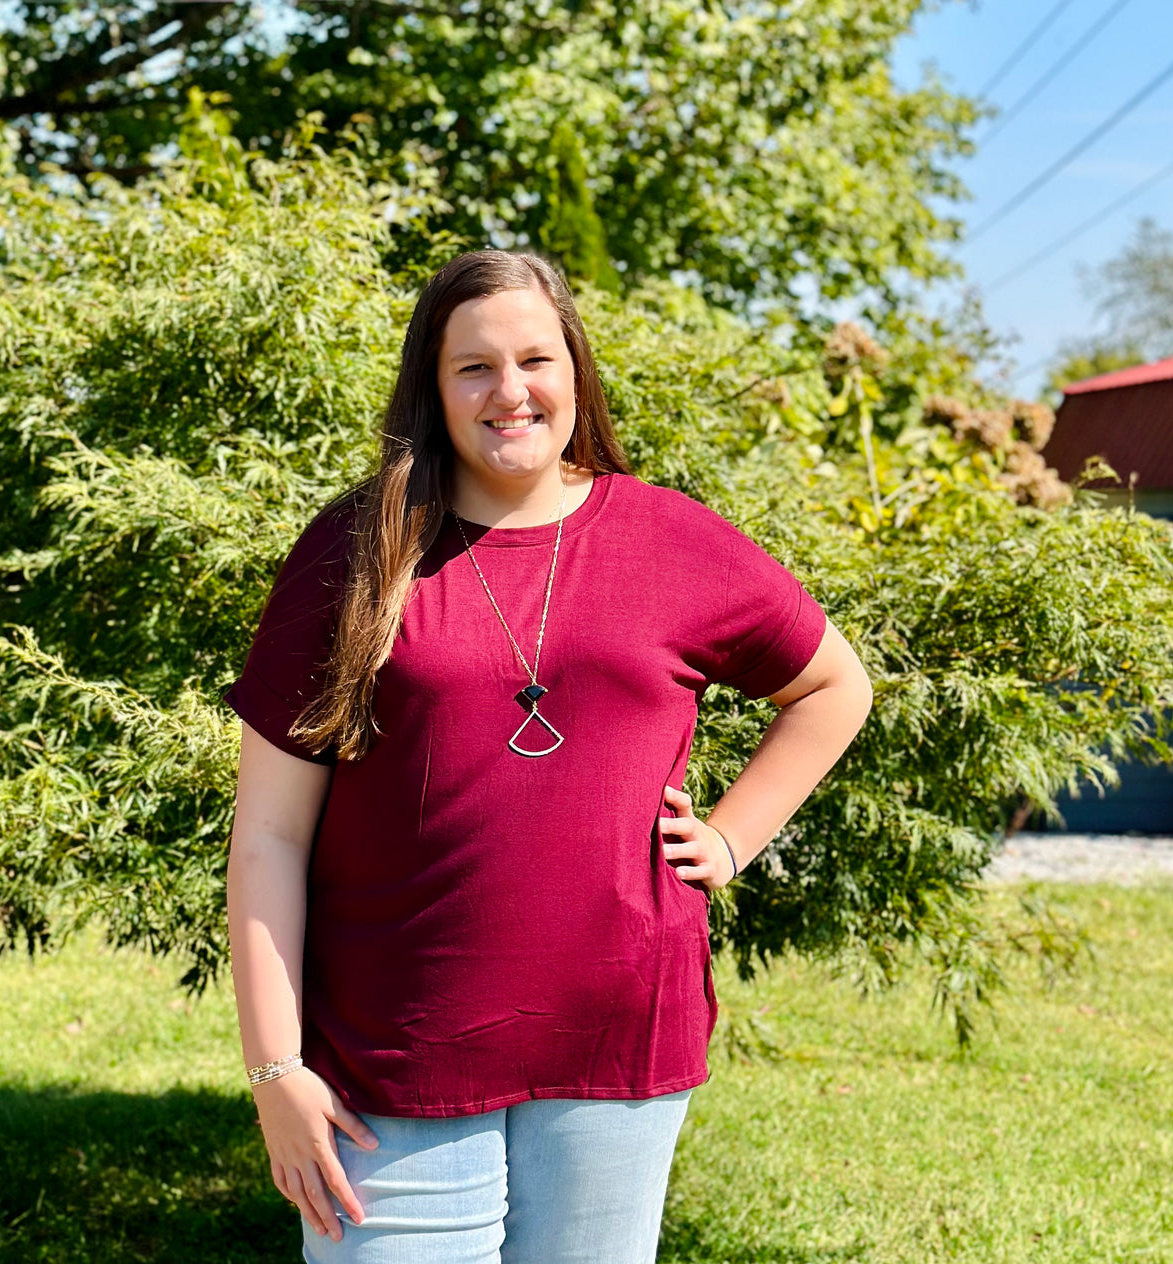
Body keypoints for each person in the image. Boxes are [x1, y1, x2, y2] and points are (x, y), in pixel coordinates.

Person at [222, 249, 873, 1263]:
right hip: (391, 1060)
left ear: (575, 369)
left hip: (617, 1048)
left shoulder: (672, 539)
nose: (510, 390)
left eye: (536, 358)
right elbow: (266, 836)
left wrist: (733, 838)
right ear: (431, 388)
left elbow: (833, 685)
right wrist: (274, 1072)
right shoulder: (358, 551)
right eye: (472, 366)